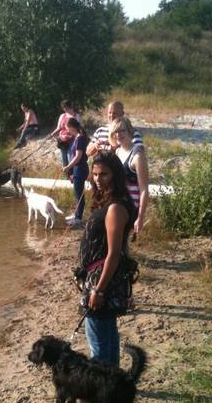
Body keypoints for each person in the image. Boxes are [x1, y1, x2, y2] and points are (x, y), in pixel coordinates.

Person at [77, 152, 137, 366]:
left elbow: (114, 253)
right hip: (103, 278)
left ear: (116, 175)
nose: (98, 179)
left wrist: (99, 290)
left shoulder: (115, 208)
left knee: (98, 343)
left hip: (102, 280)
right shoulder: (110, 202)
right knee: (107, 334)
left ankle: (104, 382)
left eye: (104, 174)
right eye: (95, 174)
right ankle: (113, 380)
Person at [109, 116, 149, 234]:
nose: (118, 134)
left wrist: (140, 217)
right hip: (117, 203)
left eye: (122, 130)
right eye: (116, 131)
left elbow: (144, 189)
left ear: (130, 132)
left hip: (131, 207)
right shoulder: (117, 151)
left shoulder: (137, 156)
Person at [62, 117, 89, 228]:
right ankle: (76, 215)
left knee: (79, 194)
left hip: (80, 169)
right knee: (77, 193)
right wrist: (71, 171)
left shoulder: (80, 138)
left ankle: (78, 218)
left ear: (72, 127)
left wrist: (68, 167)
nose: (67, 131)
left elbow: (78, 157)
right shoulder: (77, 138)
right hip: (77, 169)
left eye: (67, 128)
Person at [49, 99, 81, 168]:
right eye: (63, 107)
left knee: (70, 158)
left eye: (65, 107)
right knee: (64, 160)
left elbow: (79, 128)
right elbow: (59, 128)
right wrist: (52, 134)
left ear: (70, 106)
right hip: (63, 141)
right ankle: (66, 173)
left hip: (73, 140)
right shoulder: (62, 116)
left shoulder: (76, 116)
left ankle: (72, 172)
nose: (64, 109)